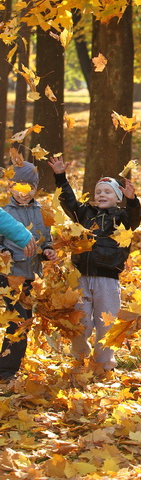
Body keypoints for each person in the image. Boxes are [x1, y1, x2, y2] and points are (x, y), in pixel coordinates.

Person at [49, 155, 141, 372]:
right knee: (80, 322)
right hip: (81, 277)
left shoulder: (122, 217)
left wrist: (132, 200)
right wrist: (60, 177)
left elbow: (134, 218)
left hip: (107, 279)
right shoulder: (85, 214)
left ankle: (104, 364)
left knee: (106, 324)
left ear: (118, 197)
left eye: (107, 192)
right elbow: (69, 202)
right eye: (98, 191)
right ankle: (80, 357)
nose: (101, 195)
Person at [0, 162, 57, 383]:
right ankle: (6, 371)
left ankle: (10, 365)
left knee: (25, 321)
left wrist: (48, 251)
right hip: (10, 275)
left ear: (36, 188)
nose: (24, 193)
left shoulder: (43, 212)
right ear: (10, 187)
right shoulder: (5, 213)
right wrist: (3, 252)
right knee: (18, 320)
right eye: (18, 186)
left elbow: (46, 241)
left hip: (31, 276)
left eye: (29, 187)